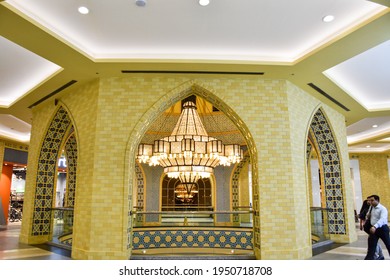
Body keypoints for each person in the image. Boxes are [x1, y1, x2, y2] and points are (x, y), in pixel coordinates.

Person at [364, 195, 390, 260]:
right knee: (371, 247)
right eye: (369, 200)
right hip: (373, 229)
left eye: (372, 200)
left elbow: (382, 219)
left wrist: (375, 226)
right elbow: (367, 216)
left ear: (377, 200)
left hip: (382, 229)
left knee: (388, 244)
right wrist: (368, 215)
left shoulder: (382, 208)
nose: (370, 202)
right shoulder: (371, 207)